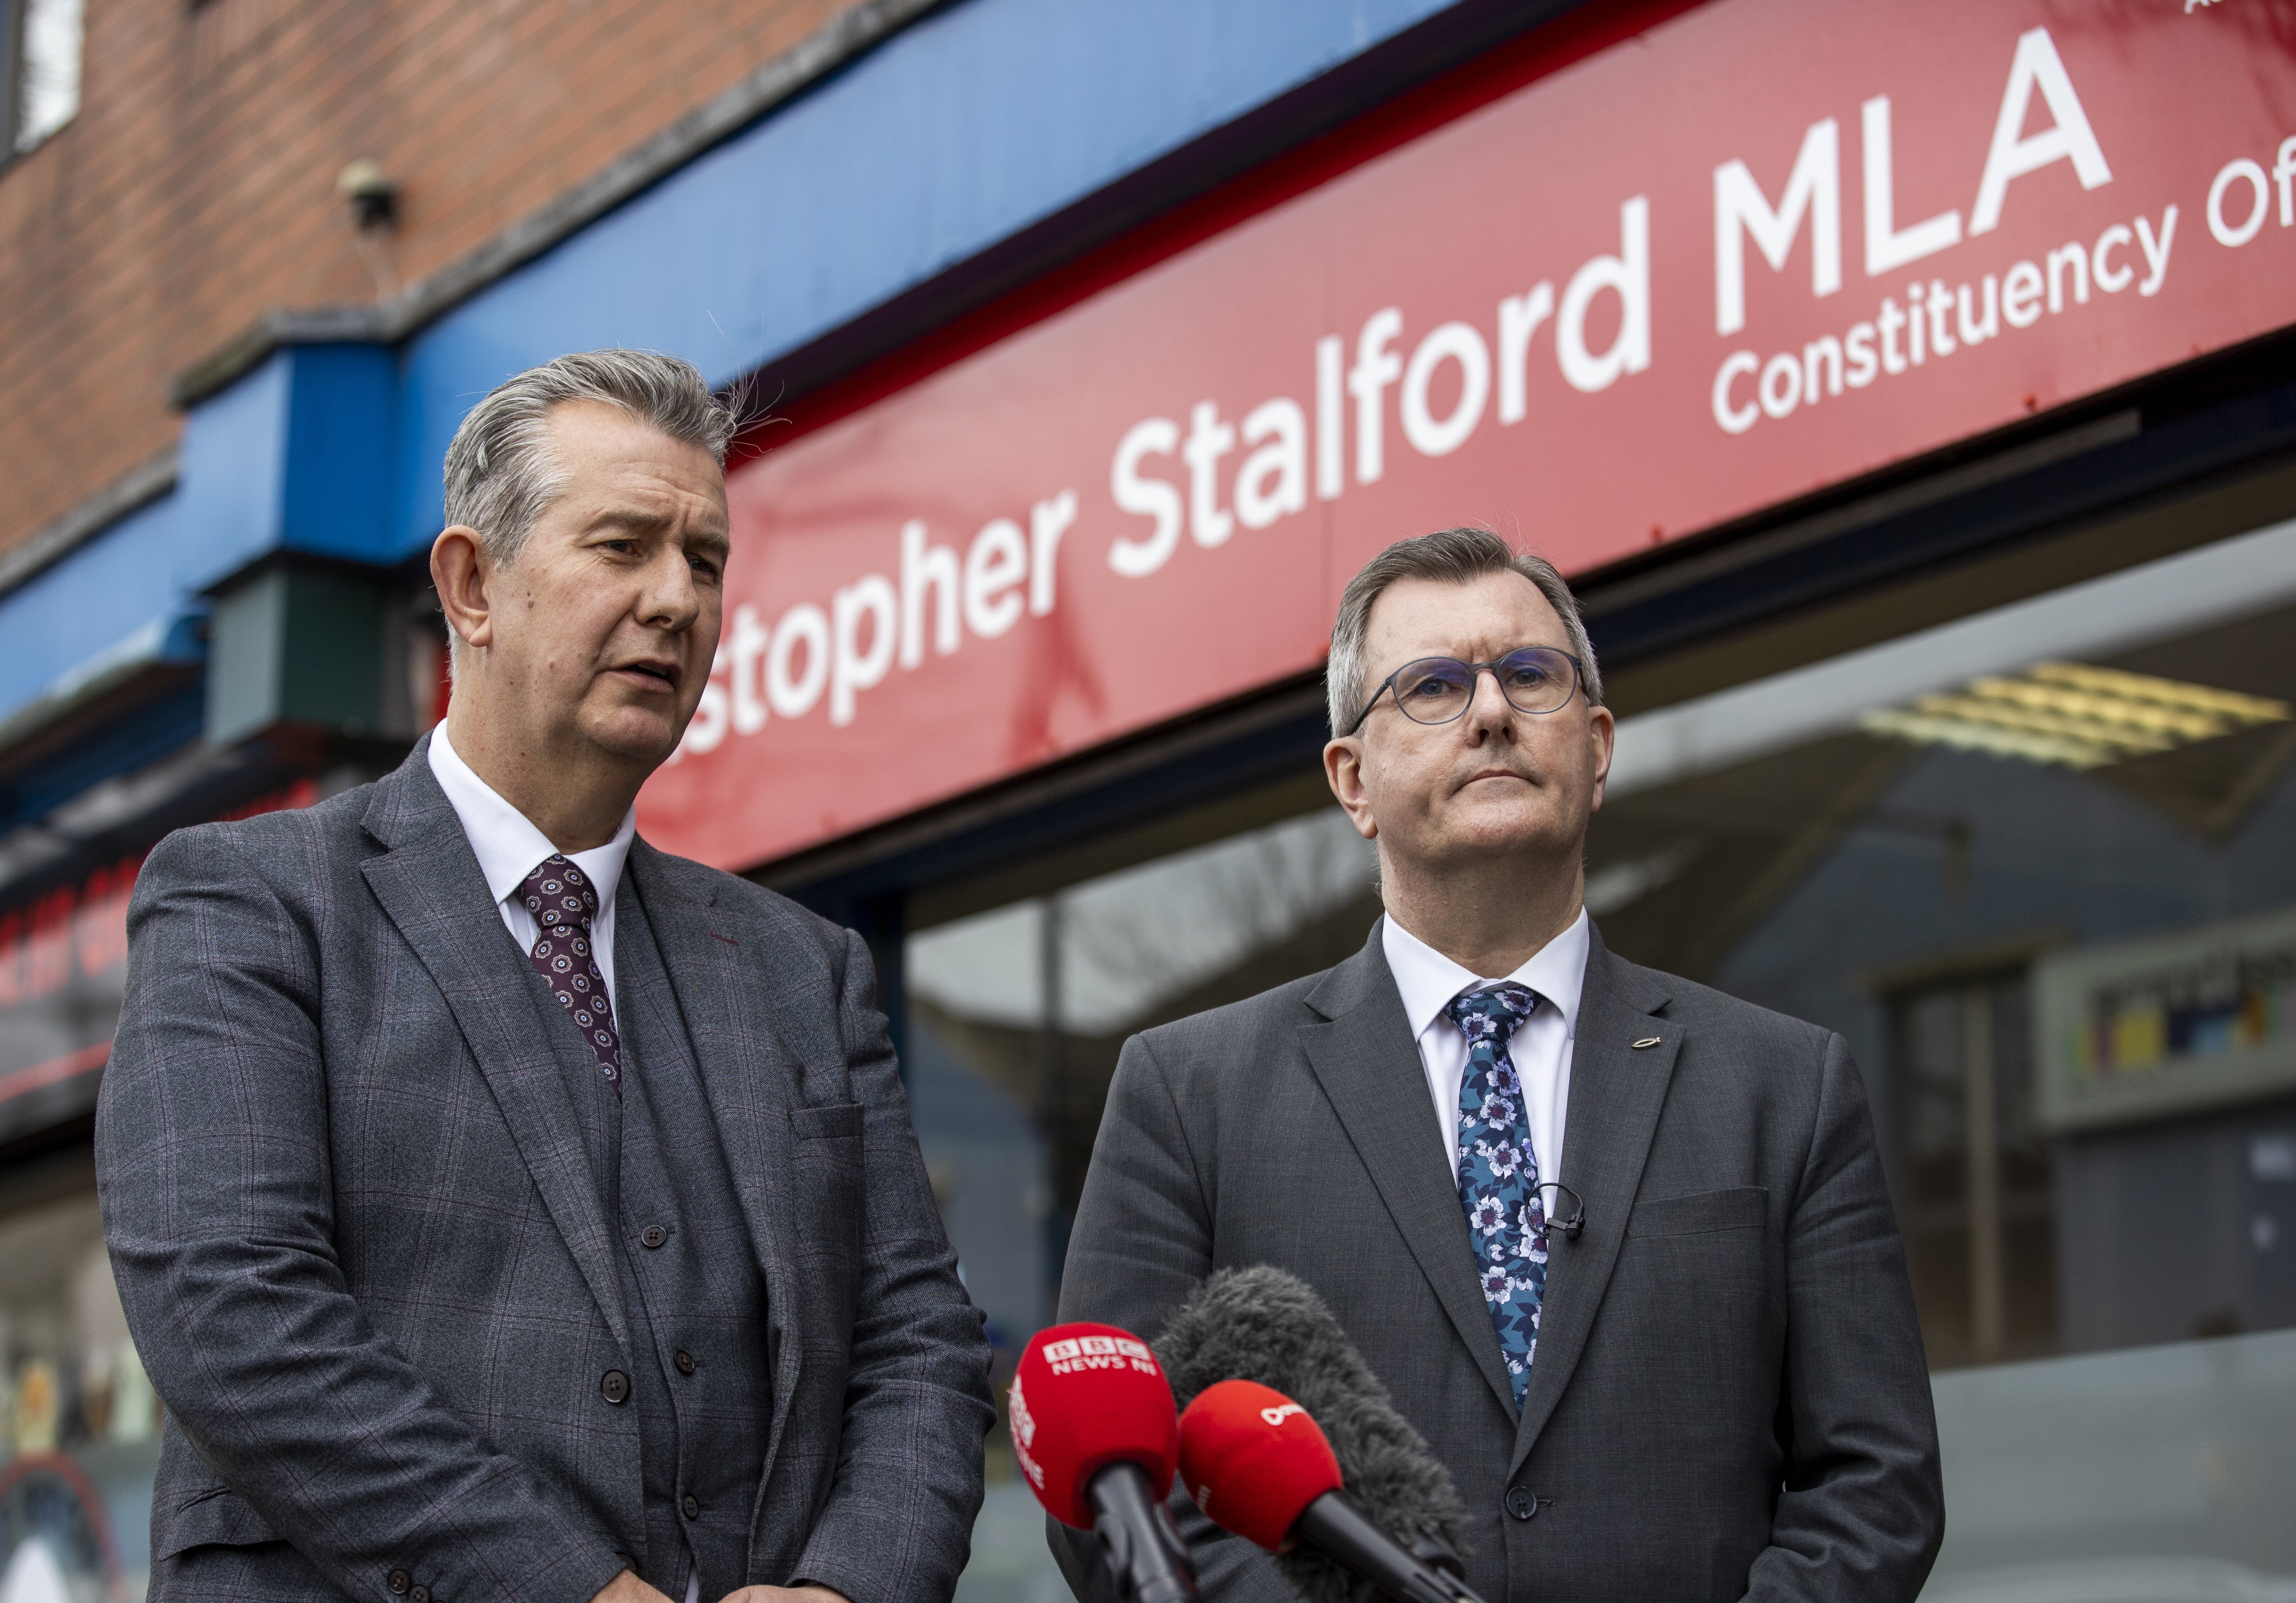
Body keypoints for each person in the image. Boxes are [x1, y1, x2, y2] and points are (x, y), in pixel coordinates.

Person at [98, 351, 992, 1603]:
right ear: (472, 584)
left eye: (706, 561)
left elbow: (919, 1341)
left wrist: (846, 1589)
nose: (677, 600)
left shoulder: (804, 968)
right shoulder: (250, 902)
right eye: (623, 547)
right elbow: (232, 1313)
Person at [1050, 528, 1943, 1603]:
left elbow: (1875, 1485)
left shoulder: (1787, 1086)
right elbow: (1116, 1497)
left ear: (1598, 746)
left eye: (1531, 675)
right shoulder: (1185, 1097)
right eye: (1429, 686)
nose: (1489, 711)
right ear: (1353, 780)